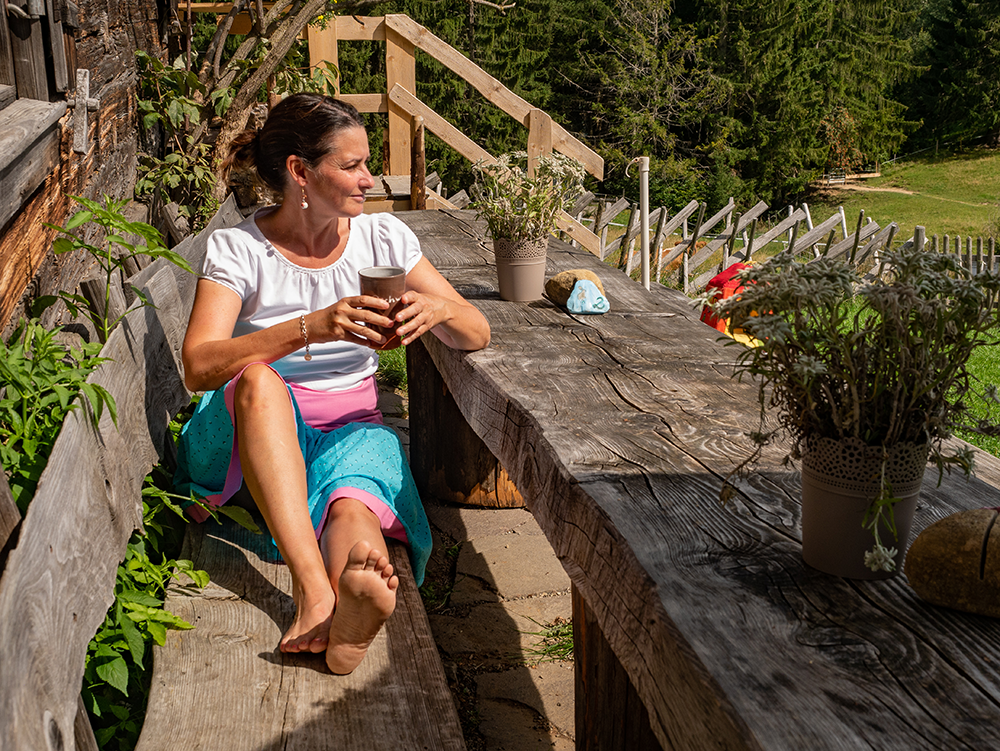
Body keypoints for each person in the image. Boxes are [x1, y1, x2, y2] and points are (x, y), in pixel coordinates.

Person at [175, 93, 490, 675]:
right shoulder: (241, 248)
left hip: (350, 428)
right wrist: (309, 328)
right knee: (262, 384)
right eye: (352, 166)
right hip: (249, 437)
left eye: (367, 163)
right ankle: (312, 591)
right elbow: (199, 366)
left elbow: (478, 330)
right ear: (301, 171)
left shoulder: (383, 239)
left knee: (356, 507)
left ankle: (353, 606)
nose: (370, 179)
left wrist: (438, 312)